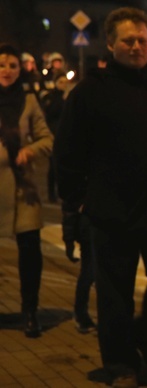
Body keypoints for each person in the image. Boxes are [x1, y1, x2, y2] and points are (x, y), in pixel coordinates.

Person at [55, 7, 147, 388]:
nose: (136, 47)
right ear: (111, 43)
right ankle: (121, 364)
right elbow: (67, 150)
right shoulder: (91, 92)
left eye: (142, 40)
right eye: (128, 40)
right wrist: (77, 200)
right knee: (115, 293)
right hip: (112, 212)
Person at [0, 44, 53, 338]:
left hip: (24, 190)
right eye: (1, 65)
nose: (6, 71)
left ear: (20, 70)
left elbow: (48, 139)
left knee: (30, 251)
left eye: (12, 66)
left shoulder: (30, 100)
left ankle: (29, 311)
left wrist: (29, 151)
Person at [40, 71, 68, 202]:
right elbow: (49, 115)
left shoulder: (66, 97)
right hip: (53, 134)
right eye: (61, 82)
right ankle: (51, 193)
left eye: (65, 82)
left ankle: (60, 191)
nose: (63, 85)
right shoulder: (52, 97)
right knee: (52, 166)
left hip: (63, 135)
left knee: (62, 165)